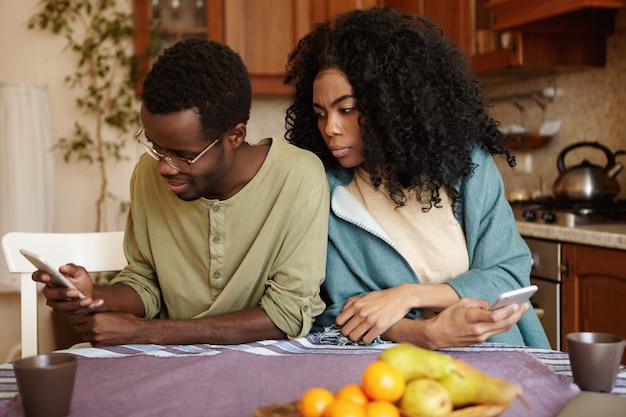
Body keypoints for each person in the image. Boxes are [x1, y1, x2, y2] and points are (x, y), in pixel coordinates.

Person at [284, 7, 550, 349]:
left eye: (346, 109)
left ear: (390, 105)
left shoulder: (466, 166)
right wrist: (426, 335)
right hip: (398, 366)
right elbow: (339, 312)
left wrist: (408, 296)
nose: (330, 129)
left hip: (500, 350)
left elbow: (509, 274)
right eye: (320, 114)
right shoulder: (328, 194)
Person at [33, 38, 329, 346]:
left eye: (184, 156)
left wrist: (144, 332)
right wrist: (95, 296)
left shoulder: (298, 176)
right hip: (167, 365)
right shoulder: (148, 176)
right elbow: (145, 283)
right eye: (155, 147)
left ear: (235, 136)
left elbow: (288, 313)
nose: (164, 167)